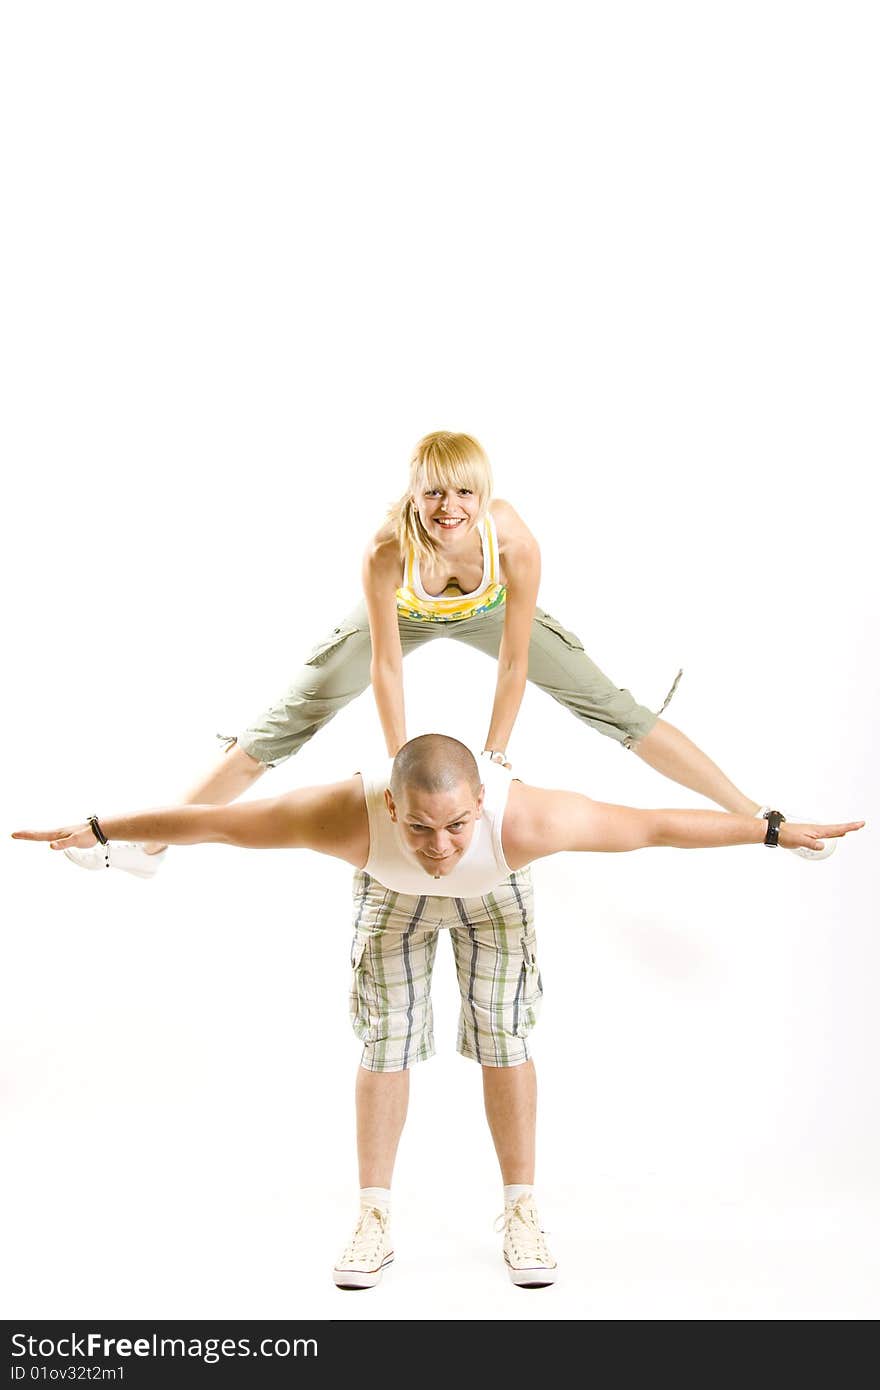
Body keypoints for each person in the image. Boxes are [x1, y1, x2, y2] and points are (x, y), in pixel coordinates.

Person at [14, 735, 863, 1290]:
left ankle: (522, 1209)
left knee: (503, 1036)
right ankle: (374, 1219)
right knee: (385, 1042)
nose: (442, 845)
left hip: (499, 904)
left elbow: (651, 827)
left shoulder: (525, 820)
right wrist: (99, 826)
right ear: (391, 808)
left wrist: (770, 828)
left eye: (457, 825)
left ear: (483, 808)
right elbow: (211, 823)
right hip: (389, 902)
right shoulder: (342, 818)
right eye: (423, 827)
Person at [63, 431, 832, 882]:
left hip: (491, 611)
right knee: (284, 719)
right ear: (414, 496)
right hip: (406, 613)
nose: (450, 510)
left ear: (481, 495)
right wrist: (401, 759)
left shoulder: (515, 542)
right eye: (434, 495)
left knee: (614, 708)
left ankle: (755, 814)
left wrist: (494, 754)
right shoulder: (386, 550)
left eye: (464, 494)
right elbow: (387, 666)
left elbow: (515, 661)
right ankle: (151, 844)